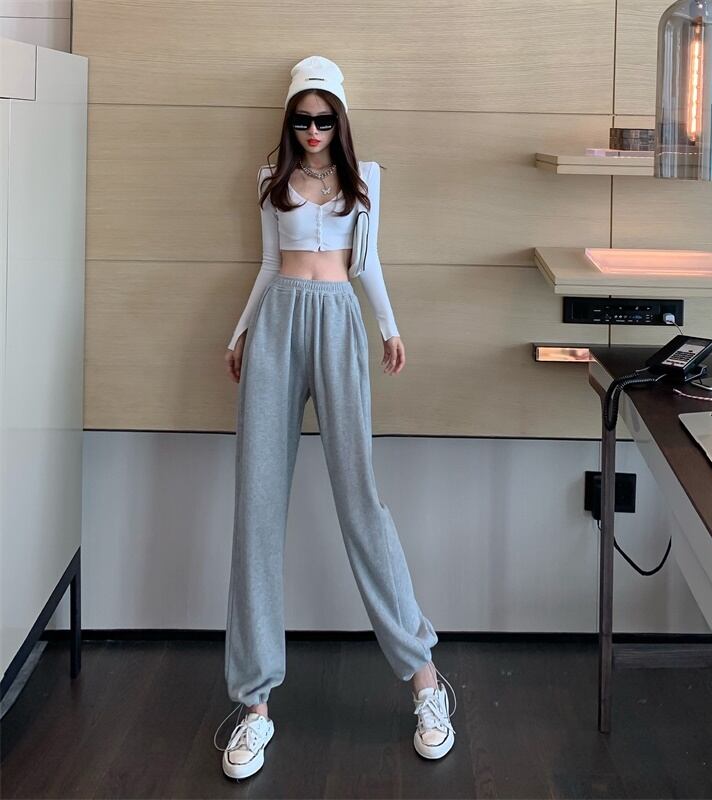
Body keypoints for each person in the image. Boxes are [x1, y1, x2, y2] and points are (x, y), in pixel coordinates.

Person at [213, 56, 456, 780]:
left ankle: (425, 679)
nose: (313, 131)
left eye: (324, 119)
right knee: (257, 504)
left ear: (340, 120)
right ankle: (254, 704)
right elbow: (268, 264)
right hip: (278, 323)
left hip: (339, 322)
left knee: (360, 500)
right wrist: (239, 333)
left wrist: (389, 327)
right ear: (289, 120)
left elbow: (367, 264)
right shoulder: (270, 179)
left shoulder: (365, 179)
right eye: (302, 119)